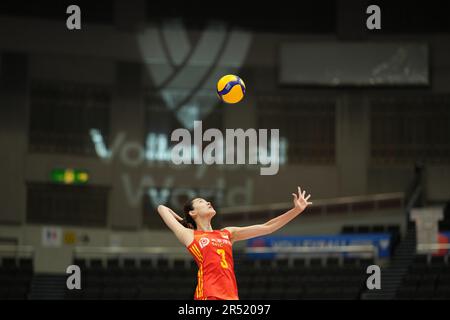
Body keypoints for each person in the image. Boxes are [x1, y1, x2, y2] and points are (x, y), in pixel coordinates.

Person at [157, 186, 312, 300]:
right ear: (193, 212)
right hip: (208, 295)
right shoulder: (189, 235)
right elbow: (162, 208)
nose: (208, 202)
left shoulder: (227, 233)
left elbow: (268, 227)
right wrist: (184, 222)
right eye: (201, 201)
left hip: (231, 297)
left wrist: (296, 210)